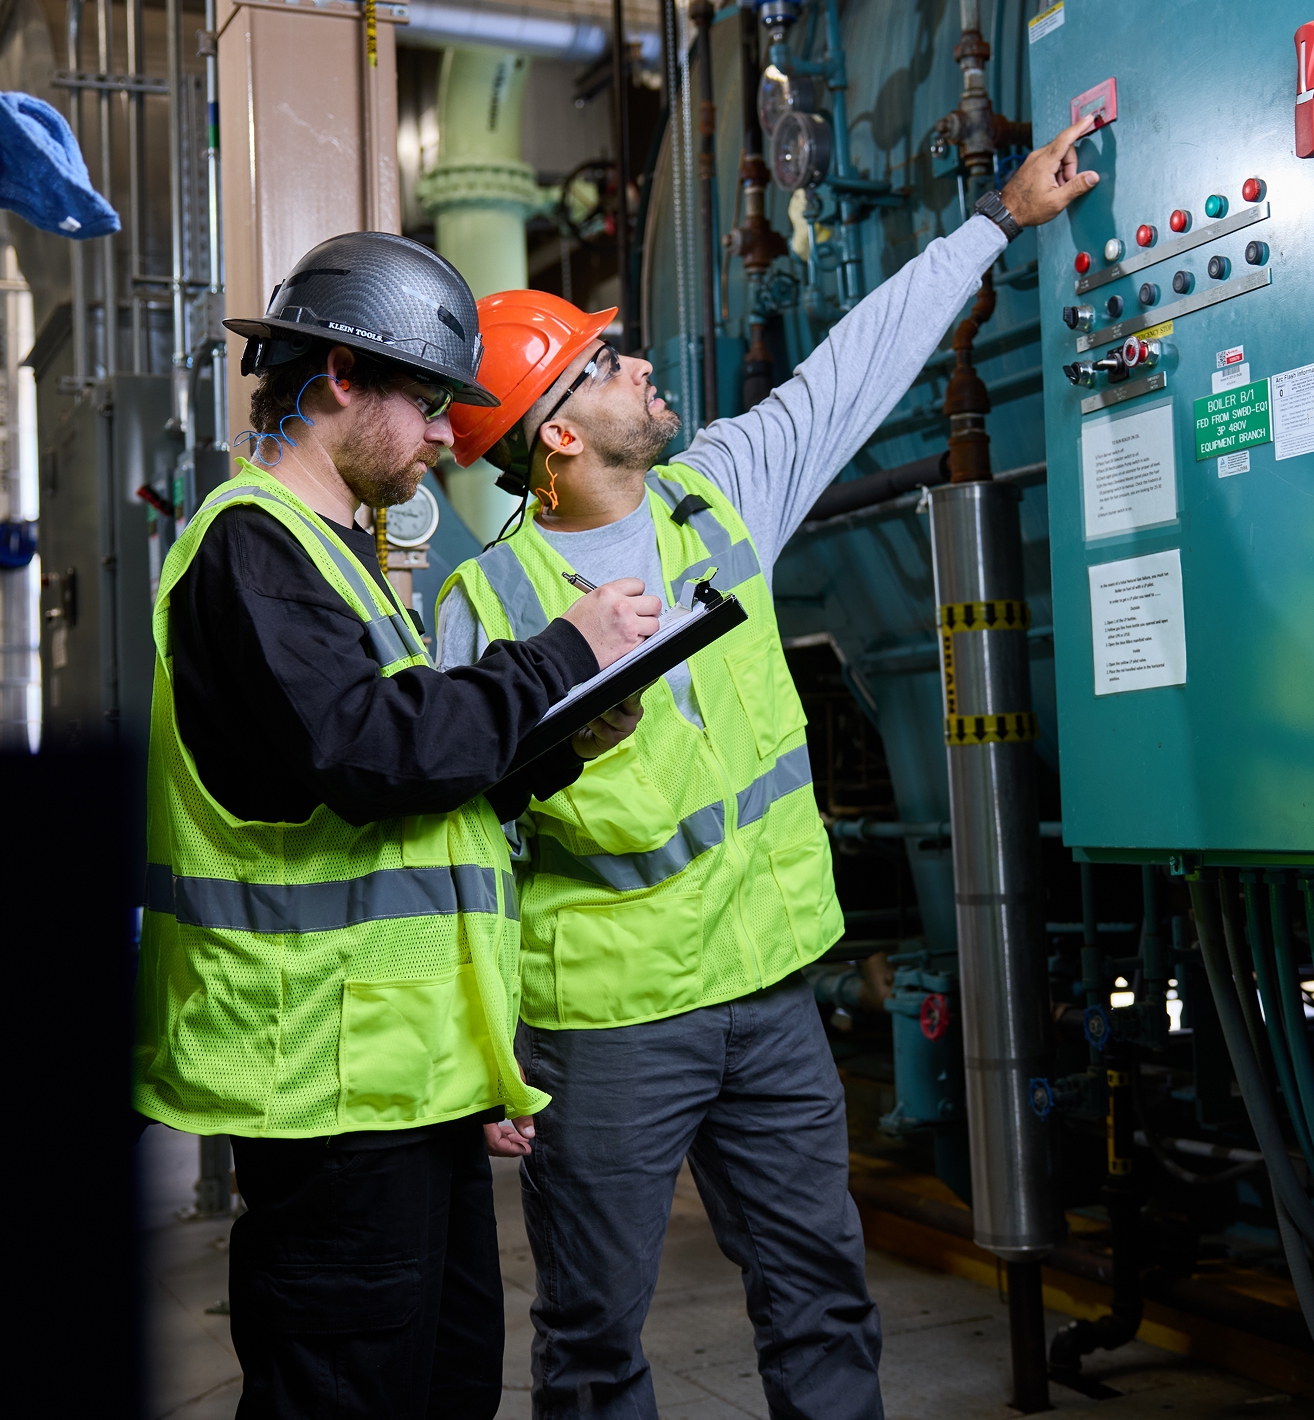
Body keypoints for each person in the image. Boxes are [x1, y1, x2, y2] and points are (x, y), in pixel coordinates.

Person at [435, 119, 1099, 1419]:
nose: (639, 364)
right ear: (555, 438)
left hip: (768, 999)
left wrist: (994, 221)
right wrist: (478, 1057)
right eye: (604, 363)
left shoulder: (716, 495)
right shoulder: (491, 600)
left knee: (819, 1293)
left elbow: (850, 371)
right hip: (607, 1030)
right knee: (591, 1338)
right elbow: (460, 846)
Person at [130, 231, 661, 1420]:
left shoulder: (338, 558)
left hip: (400, 1090)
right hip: (322, 1096)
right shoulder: (247, 548)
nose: (443, 437)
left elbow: (420, 806)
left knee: (446, 1381)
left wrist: (556, 741)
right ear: (338, 383)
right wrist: (562, 652)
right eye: (427, 405)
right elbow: (364, 752)